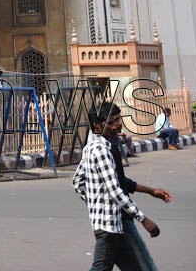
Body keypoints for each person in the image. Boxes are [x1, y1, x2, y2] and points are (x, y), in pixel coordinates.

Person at [73, 103, 168, 271]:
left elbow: (78, 182)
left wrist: (95, 205)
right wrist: (144, 219)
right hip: (111, 225)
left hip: (114, 222)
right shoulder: (101, 150)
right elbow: (116, 189)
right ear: (97, 125)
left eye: (118, 119)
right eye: (111, 122)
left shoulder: (97, 145)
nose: (117, 125)